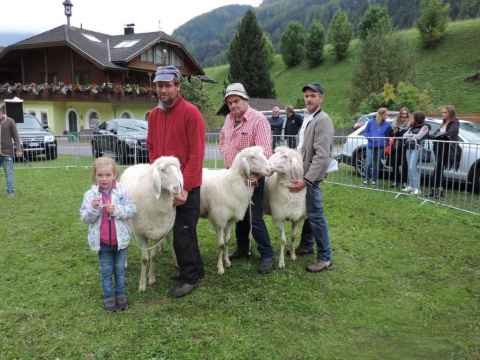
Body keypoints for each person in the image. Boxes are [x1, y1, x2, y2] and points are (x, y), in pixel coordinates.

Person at [146, 65, 206, 298]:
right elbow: (151, 146)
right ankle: (195, 268)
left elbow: (196, 155)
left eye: (168, 85)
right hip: (166, 185)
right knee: (181, 229)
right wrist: (158, 171)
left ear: (178, 86)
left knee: (183, 230)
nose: (163, 90)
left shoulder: (191, 113)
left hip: (186, 185)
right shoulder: (154, 115)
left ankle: (189, 277)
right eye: (159, 86)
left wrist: (186, 188)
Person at [220, 83, 276, 274]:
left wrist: (254, 175)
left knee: (254, 216)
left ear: (245, 100)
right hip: (233, 177)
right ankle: (243, 248)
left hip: (253, 179)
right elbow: (222, 141)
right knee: (239, 214)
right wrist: (225, 156)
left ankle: (267, 254)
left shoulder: (258, 120)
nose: (233, 105)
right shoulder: (228, 119)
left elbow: (264, 151)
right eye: (229, 102)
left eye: (236, 101)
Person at [287, 83, 334, 272]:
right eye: (306, 96)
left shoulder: (323, 120)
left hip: (311, 177)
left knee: (315, 214)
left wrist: (307, 180)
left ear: (321, 98)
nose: (309, 99)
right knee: (309, 212)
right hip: (303, 173)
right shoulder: (308, 118)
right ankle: (307, 244)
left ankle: (325, 258)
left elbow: (322, 155)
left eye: (313, 96)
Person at [80, 157, 137, 312]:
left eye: (107, 175)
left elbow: (132, 210)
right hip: (102, 242)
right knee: (106, 270)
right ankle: (108, 296)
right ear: (94, 176)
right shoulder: (90, 195)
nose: (104, 179)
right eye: (100, 175)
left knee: (119, 269)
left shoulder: (122, 192)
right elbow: (84, 217)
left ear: (115, 175)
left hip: (121, 242)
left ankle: (120, 294)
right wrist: (93, 209)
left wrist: (116, 210)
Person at [426, 105, 460, 198]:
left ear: (451, 113)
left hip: (447, 149)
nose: (443, 114)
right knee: (437, 169)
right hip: (439, 149)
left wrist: (440, 136)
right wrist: (426, 136)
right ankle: (434, 190)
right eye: (442, 112)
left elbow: (450, 134)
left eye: (445, 112)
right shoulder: (442, 123)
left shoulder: (455, 122)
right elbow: (435, 134)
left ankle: (439, 191)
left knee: (438, 169)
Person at [402, 111, 430, 195]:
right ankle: (411, 185)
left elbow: (419, 136)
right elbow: (404, 135)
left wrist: (411, 136)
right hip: (408, 147)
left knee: (412, 167)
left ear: (418, 118)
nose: (411, 118)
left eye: (413, 117)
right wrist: (413, 135)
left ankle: (417, 188)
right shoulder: (412, 126)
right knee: (410, 167)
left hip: (417, 148)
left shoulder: (425, 126)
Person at [363, 108, 391, 187]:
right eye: (385, 114)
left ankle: (374, 180)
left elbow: (387, 135)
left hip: (381, 146)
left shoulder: (387, 124)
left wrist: (387, 144)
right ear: (380, 114)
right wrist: (369, 137)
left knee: (376, 163)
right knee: (368, 163)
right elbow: (365, 131)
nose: (386, 116)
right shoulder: (371, 122)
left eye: (386, 114)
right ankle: (366, 179)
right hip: (370, 145)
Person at [0, 107, 22, 198]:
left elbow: (16, 137)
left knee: (9, 173)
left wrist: (18, 149)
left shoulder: (10, 121)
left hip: (7, 152)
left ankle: (10, 191)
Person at [389, 107, 411, 190]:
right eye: (403, 113)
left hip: (405, 145)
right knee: (395, 163)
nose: (404, 115)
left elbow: (406, 133)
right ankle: (395, 181)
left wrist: (398, 132)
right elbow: (392, 132)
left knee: (404, 164)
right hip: (395, 145)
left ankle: (404, 182)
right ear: (400, 114)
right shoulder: (395, 121)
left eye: (406, 113)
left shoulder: (410, 122)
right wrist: (398, 133)